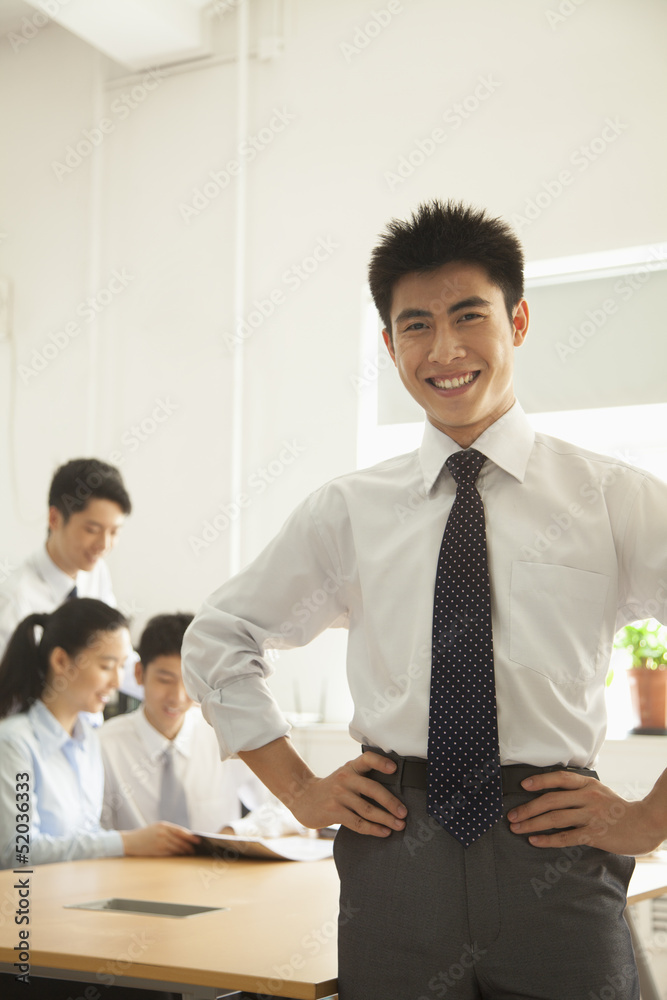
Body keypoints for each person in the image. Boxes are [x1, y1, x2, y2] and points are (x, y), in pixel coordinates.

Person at [182, 200, 667, 1000]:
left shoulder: (612, 497)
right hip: (394, 854)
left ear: (516, 321)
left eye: (467, 315)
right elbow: (218, 638)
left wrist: (652, 815)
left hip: (553, 850)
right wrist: (299, 789)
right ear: (387, 343)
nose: (444, 350)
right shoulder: (348, 510)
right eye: (415, 325)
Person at [0, 598, 200, 869]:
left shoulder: (89, 741)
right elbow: (18, 852)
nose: (117, 682)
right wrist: (126, 843)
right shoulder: (14, 744)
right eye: (106, 666)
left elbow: (86, 836)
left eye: (121, 667)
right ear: (61, 661)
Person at [100, 613, 299, 836]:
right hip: (133, 869)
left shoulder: (226, 734)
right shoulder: (105, 744)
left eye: (188, 681)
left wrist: (237, 831)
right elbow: (91, 831)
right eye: (164, 680)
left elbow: (287, 807)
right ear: (139, 674)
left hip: (216, 866)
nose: (177, 697)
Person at [0, 457, 143, 701]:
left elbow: (114, 654)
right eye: (92, 530)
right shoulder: (15, 599)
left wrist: (166, 687)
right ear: (54, 519)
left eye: (114, 531)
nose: (104, 545)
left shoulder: (96, 573)